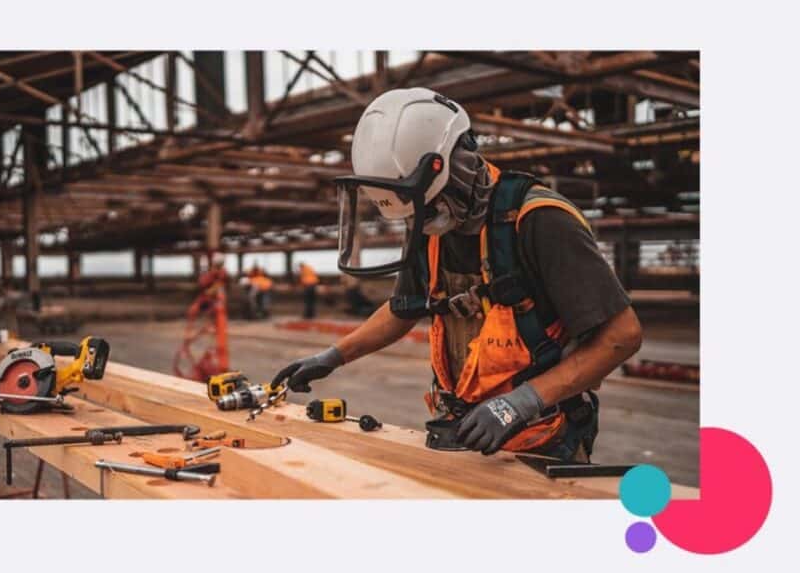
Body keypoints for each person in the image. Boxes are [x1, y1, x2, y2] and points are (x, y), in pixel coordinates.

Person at [272, 87, 642, 462]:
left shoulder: (539, 220)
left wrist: (521, 402)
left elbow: (622, 336)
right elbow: (404, 309)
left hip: (542, 438)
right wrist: (333, 356)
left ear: (455, 167)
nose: (422, 221)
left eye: (428, 207)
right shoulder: (428, 223)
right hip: (460, 431)